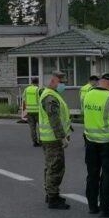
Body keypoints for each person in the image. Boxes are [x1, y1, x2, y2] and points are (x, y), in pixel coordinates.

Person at [83, 73, 109, 217]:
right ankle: (105, 208)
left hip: (90, 141)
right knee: (107, 175)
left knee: (92, 175)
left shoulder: (88, 95)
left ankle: (92, 206)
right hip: (108, 142)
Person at [38, 71, 72, 210]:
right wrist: (62, 137)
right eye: (61, 83)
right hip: (52, 139)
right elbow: (54, 120)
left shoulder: (52, 95)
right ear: (53, 81)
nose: (63, 85)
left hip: (49, 138)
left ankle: (51, 194)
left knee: (50, 167)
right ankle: (53, 197)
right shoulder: (50, 97)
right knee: (56, 168)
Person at [23, 77, 41, 146]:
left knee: (32, 128)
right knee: (41, 127)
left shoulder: (26, 89)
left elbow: (24, 101)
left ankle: (35, 142)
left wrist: (24, 113)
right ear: (37, 83)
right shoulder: (38, 90)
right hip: (38, 112)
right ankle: (41, 141)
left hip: (29, 112)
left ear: (31, 82)